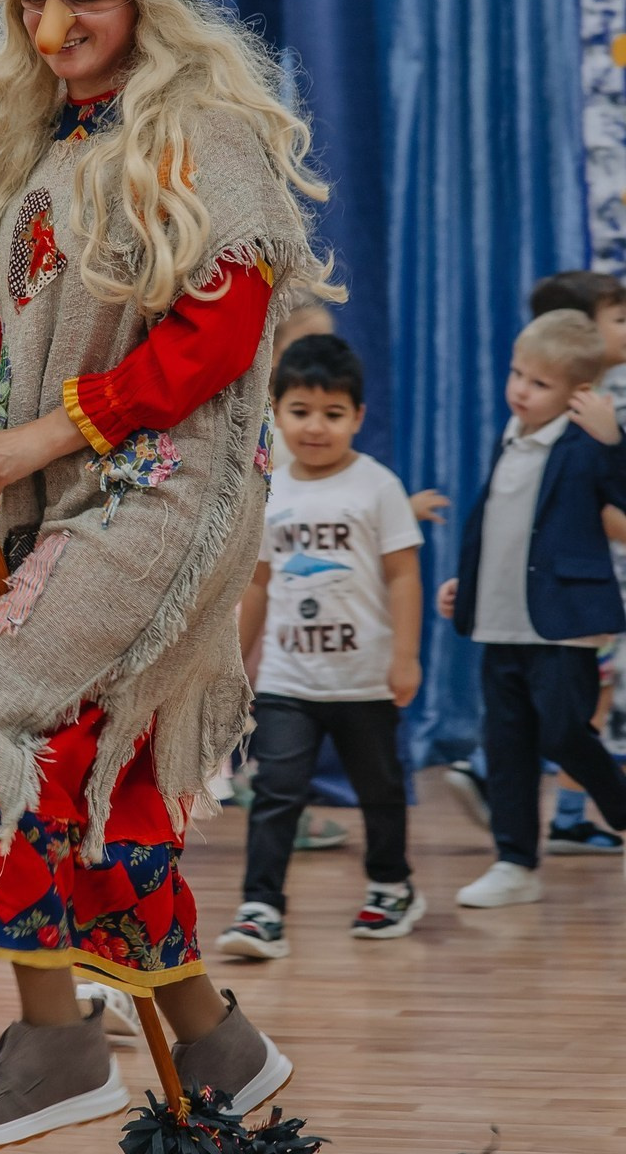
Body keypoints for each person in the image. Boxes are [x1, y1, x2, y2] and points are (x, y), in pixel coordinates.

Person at [0, 0, 342, 1145]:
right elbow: (9, 305)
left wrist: (40, 427)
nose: (51, 26)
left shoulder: (207, 131)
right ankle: (213, 1041)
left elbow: (216, 333)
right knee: (98, 783)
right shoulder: (51, 141)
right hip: (78, 495)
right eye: (29, 0)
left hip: (167, 493)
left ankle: (55, 1044)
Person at [216, 335, 424, 960]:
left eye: (333, 414)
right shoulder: (269, 490)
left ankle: (391, 886)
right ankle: (261, 909)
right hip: (287, 682)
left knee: (380, 790)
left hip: (363, 679)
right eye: (301, 411)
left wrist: (406, 657)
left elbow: (403, 575)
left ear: (358, 417)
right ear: (275, 412)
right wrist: (234, 662)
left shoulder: (378, 486)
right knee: (277, 791)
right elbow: (257, 583)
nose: (316, 426)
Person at [438, 310, 626, 907]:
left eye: (539, 383)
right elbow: (499, 525)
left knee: (564, 730)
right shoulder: (512, 434)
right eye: (518, 374)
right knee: (508, 741)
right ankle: (514, 861)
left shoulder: (586, 446)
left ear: (579, 394)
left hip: (561, 626)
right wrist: (464, 585)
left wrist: (613, 440)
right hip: (499, 621)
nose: (520, 389)